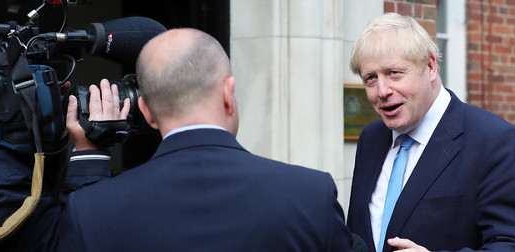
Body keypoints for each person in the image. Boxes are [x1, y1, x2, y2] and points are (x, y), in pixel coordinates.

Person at [44, 28, 350, 251]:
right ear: (229, 95)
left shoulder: (90, 209)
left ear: (147, 113)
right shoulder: (311, 194)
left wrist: (88, 153)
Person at [346, 13, 515, 252]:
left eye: (394, 73)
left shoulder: (495, 142)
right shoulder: (371, 139)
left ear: (430, 67)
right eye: (370, 78)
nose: (382, 90)